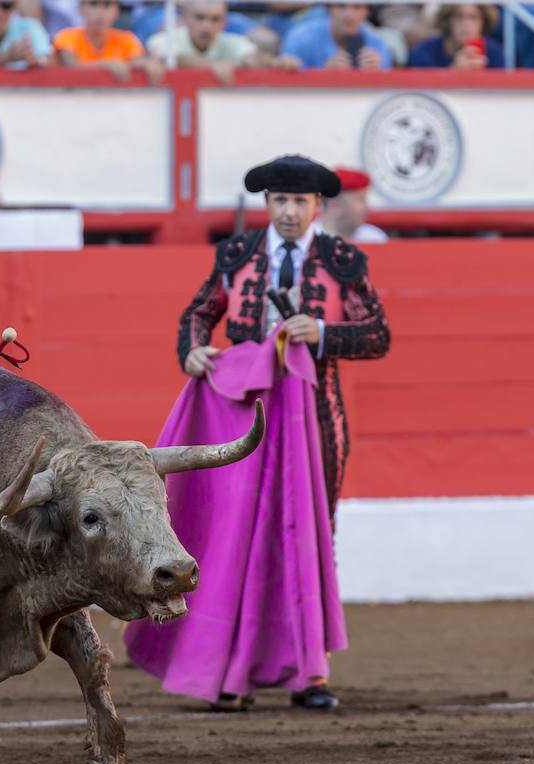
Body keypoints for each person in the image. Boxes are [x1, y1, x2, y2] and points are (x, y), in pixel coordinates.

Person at [125, 155, 390, 713]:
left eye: (300, 202)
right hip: (239, 413)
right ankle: (229, 671)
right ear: (267, 205)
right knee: (235, 534)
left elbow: (377, 334)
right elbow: (198, 314)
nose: (290, 212)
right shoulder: (236, 254)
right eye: (280, 201)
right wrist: (193, 350)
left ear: (318, 206)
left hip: (317, 416)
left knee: (308, 534)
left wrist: (322, 331)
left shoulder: (344, 259)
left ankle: (309, 673)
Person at [145, 0, 296, 80]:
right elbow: (172, 59)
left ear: (224, 23)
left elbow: (253, 58)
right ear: (185, 18)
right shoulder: (167, 39)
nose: (206, 26)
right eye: (200, 17)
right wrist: (217, 65)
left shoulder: (230, 41)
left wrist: (276, 62)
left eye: (215, 19)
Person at [53, 0, 163, 80]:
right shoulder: (66, 36)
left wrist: (147, 64)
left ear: (117, 11)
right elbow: (71, 67)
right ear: (80, 8)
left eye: (107, 4)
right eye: (93, 4)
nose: (100, 12)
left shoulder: (127, 39)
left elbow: (137, 61)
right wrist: (106, 65)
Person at [281, 1, 392, 70]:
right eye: (341, 5)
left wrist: (376, 76)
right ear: (328, 8)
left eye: (357, 6)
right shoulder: (301, 37)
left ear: (367, 11)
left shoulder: (378, 44)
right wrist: (325, 77)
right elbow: (286, 86)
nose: (349, 15)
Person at [407, 3, 506, 69]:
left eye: (473, 17)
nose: (466, 23)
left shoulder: (495, 53)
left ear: (484, 22)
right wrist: (454, 72)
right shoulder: (424, 51)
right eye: (459, 16)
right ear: (448, 20)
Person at [317, 166, 387, 243]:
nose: (367, 207)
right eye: (360, 200)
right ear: (335, 204)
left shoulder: (374, 238)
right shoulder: (307, 239)